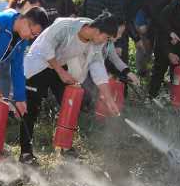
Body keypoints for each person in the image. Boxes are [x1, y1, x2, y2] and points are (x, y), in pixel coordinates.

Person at [17, 12, 125, 162]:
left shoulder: (96, 43)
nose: (105, 42)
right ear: (97, 31)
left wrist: (108, 99)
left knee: (70, 102)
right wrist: (61, 72)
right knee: (31, 108)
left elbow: (98, 67)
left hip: (59, 67)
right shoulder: (65, 26)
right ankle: (26, 153)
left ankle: (65, 147)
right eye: (106, 38)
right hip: (39, 65)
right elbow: (45, 47)